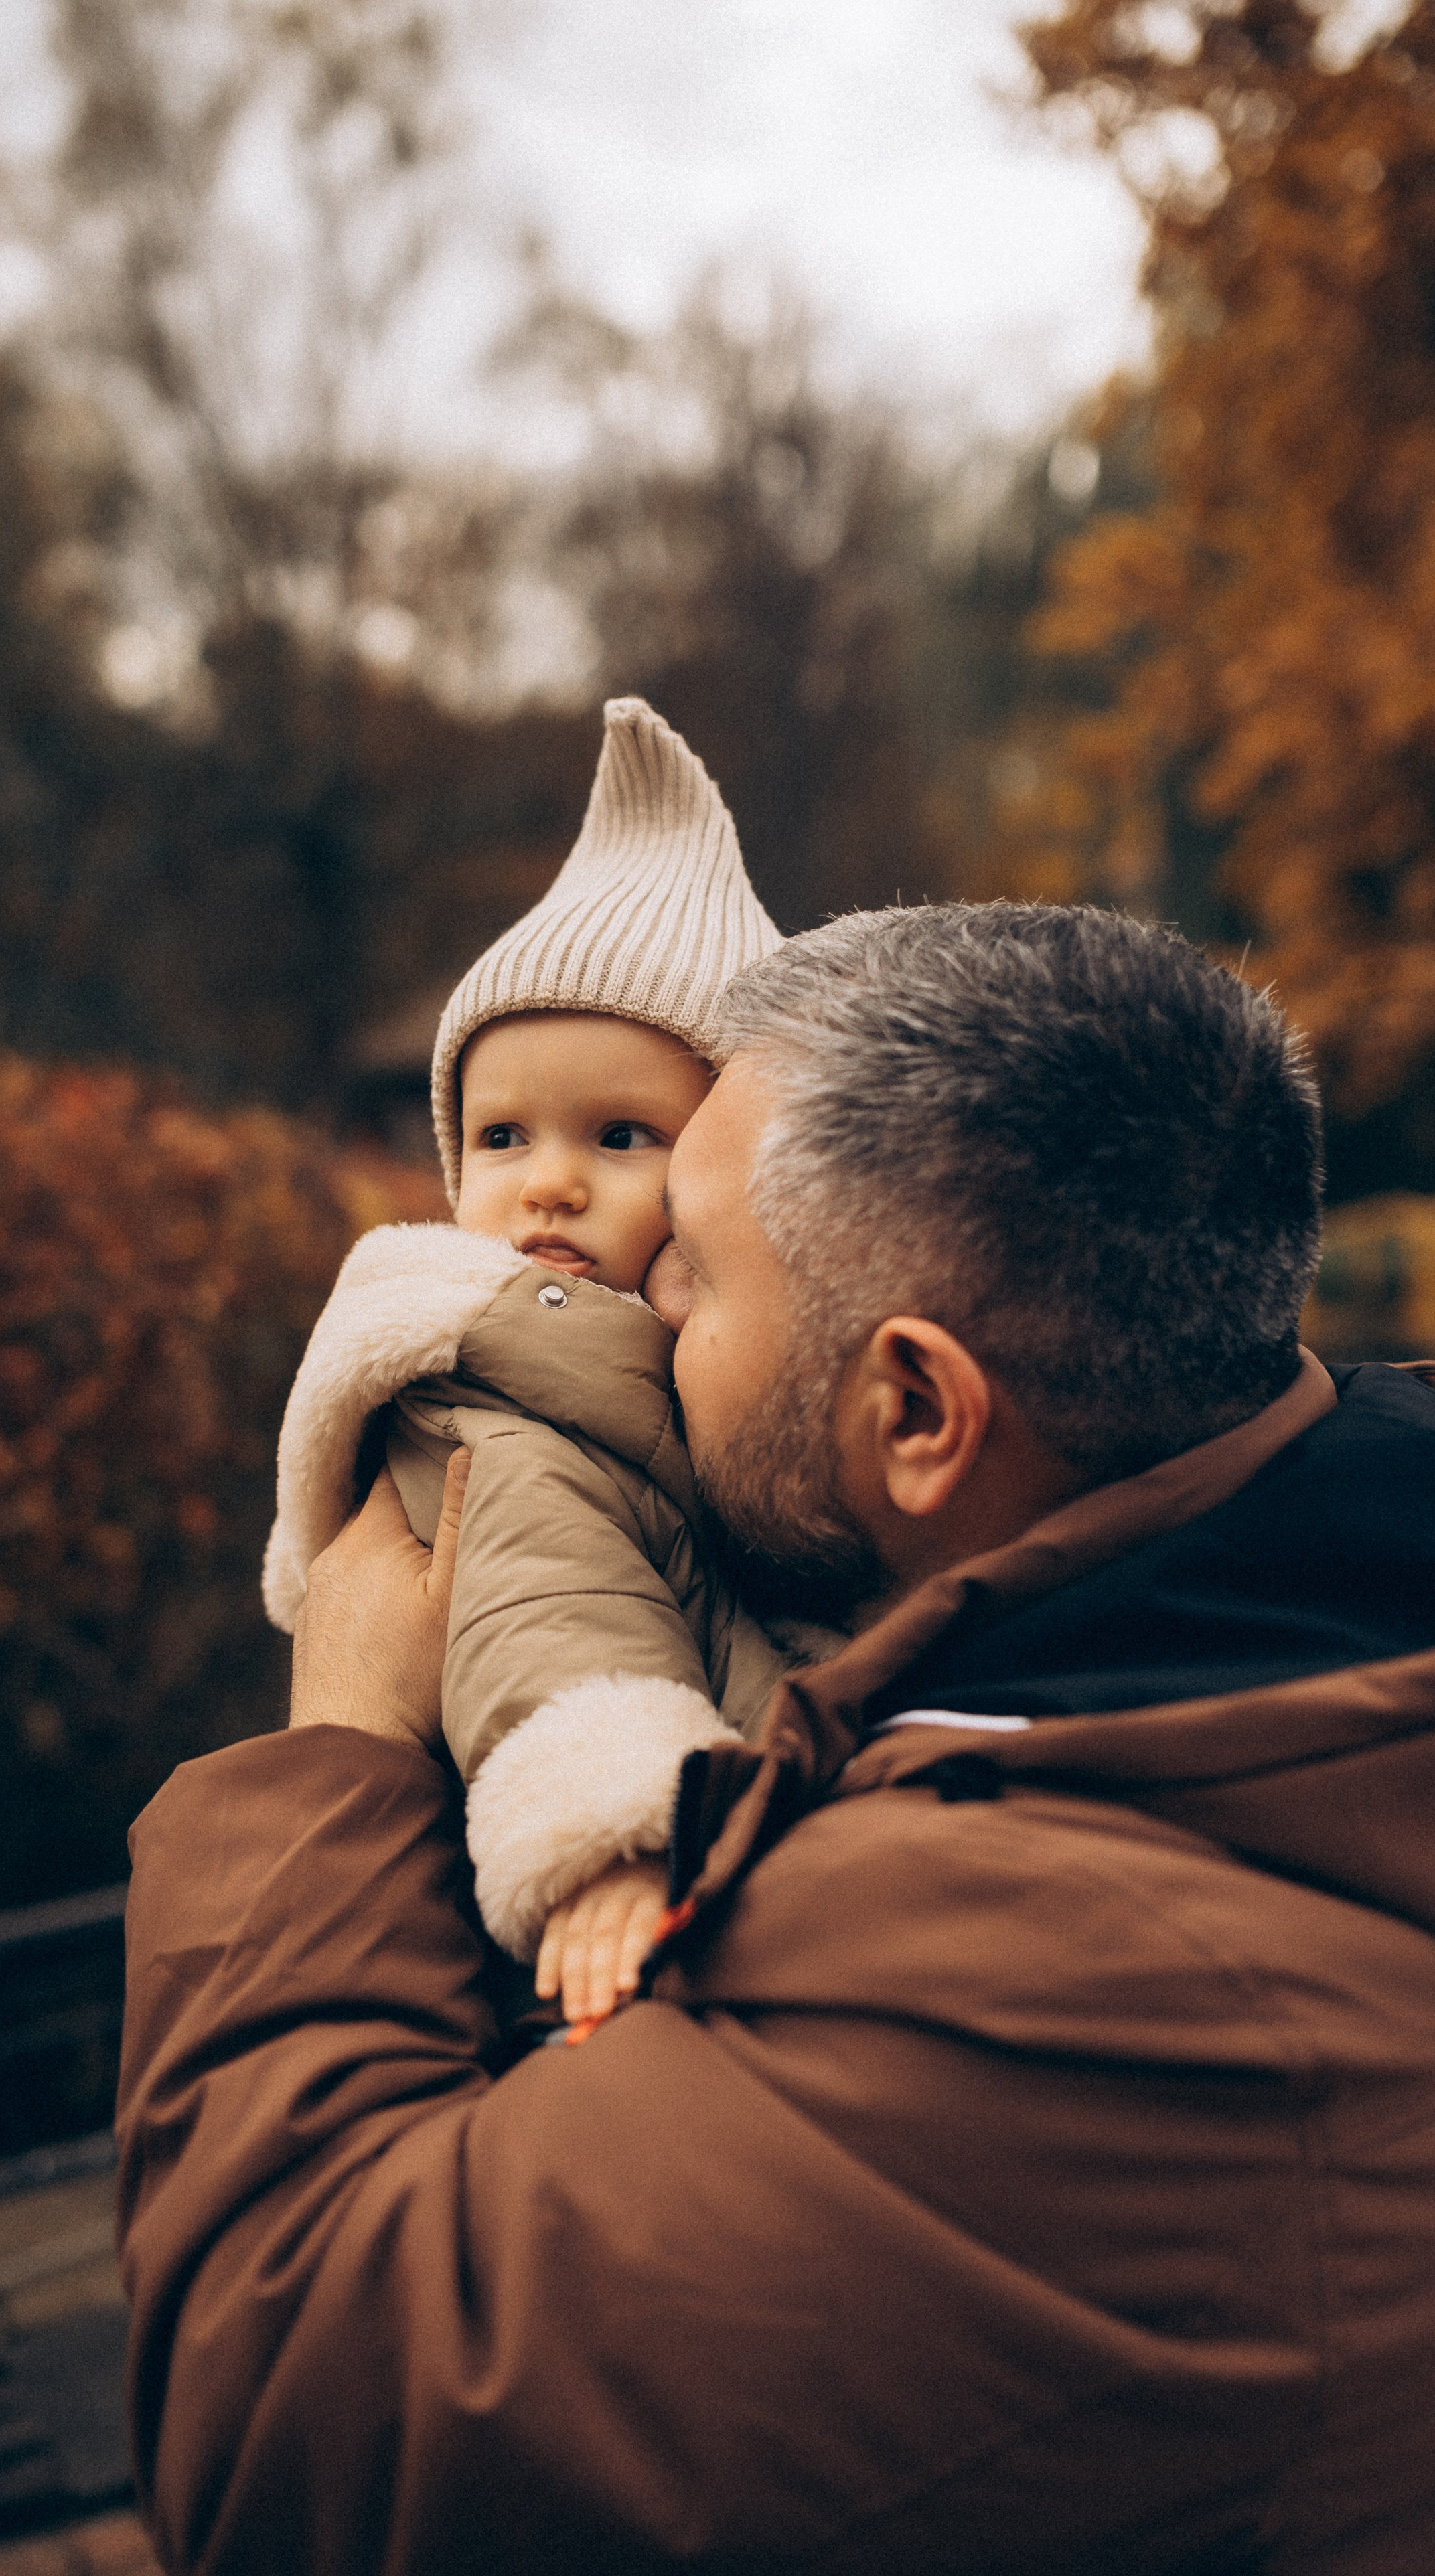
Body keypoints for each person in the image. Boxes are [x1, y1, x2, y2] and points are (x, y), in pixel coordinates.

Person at [118, 903, 1435, 2576]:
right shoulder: (1314, 1608)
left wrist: (348, 1737)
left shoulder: (1014, 1971)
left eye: (694, 1261)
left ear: (912, 1414)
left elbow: (288, 2435)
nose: (637, 1297)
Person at [263, 696, 815, 2017]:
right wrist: (607, 1843)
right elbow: (548, 1605)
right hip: (563, 1904)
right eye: (502, 1139)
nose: (548, 1185)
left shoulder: (652, 1375)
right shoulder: (504, 1406)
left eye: (618, 1137)